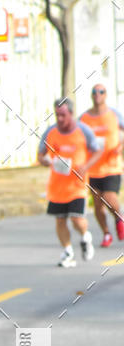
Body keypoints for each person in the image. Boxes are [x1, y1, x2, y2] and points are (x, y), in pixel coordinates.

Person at [37, 99, 102, 267]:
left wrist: (85, 166)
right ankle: (68, 252)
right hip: (57, 187)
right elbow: (40, 155)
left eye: (63, 115)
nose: (60, 118)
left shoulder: (84, 131)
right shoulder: (50, 132)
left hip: (77, 186)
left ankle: (85, 236)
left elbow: (97, 150)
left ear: (71, 114)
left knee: (76, 218)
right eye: (57, 115)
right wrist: (44, 161)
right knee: (60, 220)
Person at [79, 84, 124, 246]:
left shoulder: (114, 115)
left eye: (101, 92)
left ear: (106, 95)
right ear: (91, 96)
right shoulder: (84, 118)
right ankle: (106, 233)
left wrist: (120, 147)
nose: (97, 94)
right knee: (97, 204)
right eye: (94, 92)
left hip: (112, 165)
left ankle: (119, 219)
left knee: (109, 197)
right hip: (92, 168)